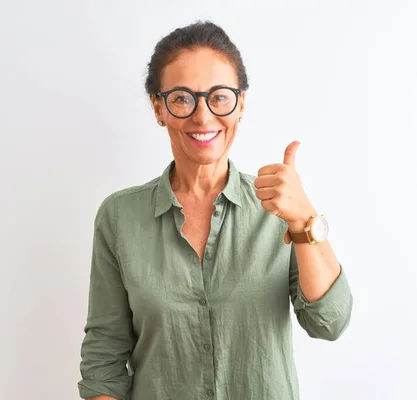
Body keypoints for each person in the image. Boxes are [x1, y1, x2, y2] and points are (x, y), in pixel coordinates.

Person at [77, 20, 353, 400]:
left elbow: (330, 322)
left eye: (219, 96)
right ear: (159, 108)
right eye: (181, 98)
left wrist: (304, 219)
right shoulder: (119, 218)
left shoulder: (280, 208)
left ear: (241, 103)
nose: (203, 116)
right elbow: (104, 360)